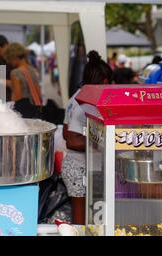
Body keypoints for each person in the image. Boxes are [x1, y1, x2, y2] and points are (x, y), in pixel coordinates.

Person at [62, 50, 113, 224]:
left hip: (80, 166)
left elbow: (64, 131)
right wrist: (106, 142)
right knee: (81, 220)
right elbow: (71, 140)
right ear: (103, 81)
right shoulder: (83, 104)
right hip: (78, 168)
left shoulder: (76, 96)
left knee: (90, 218)